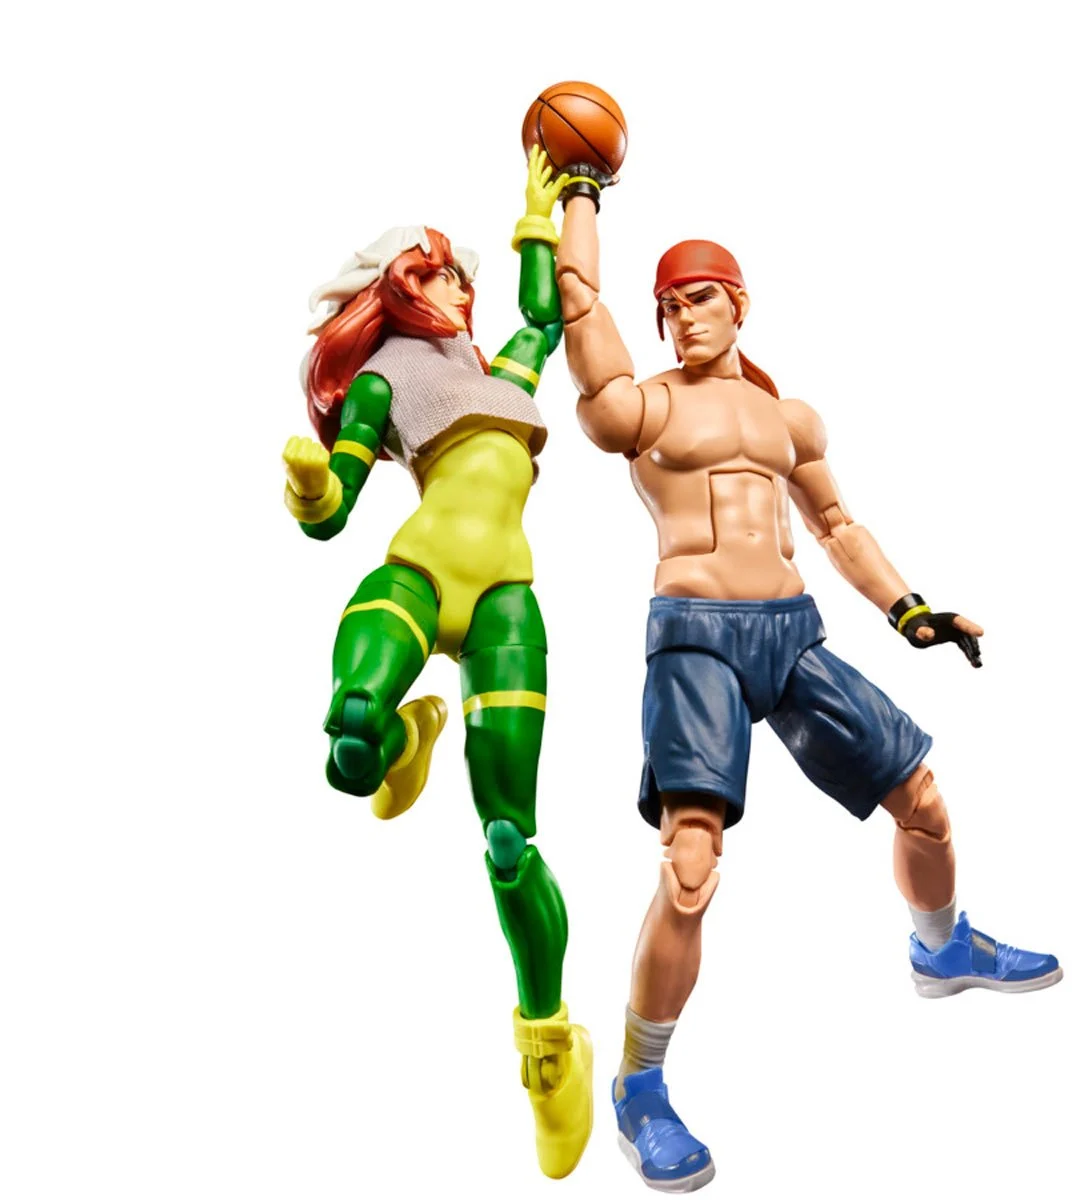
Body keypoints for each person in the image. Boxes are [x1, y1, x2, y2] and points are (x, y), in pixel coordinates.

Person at [553, 170, 1061, 1192]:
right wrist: (579, 198)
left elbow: (836, 525)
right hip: (695, 640)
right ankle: (640, 1087)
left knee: (924, 801)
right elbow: (581, 307)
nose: (681, 316)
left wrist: (910, 609)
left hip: (791, 634)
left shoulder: (790, 418)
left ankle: (942, 949)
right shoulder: (647, 406)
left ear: (740, 303)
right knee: (690, 869)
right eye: (667, 306)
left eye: (699, 297)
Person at [281, 150, 592, 1180]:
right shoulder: (388, 379)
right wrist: (312, 494)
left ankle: (549, 1044)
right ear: (407, 283)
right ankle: (395, 740)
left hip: (505, 597)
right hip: (417, 574)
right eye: (447, 272)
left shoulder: (500, 376)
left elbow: (545, 319)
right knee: (348, 737)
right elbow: (336, 503)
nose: (466, 287)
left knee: (509, 839)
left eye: (465, 273)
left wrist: (540, 220)